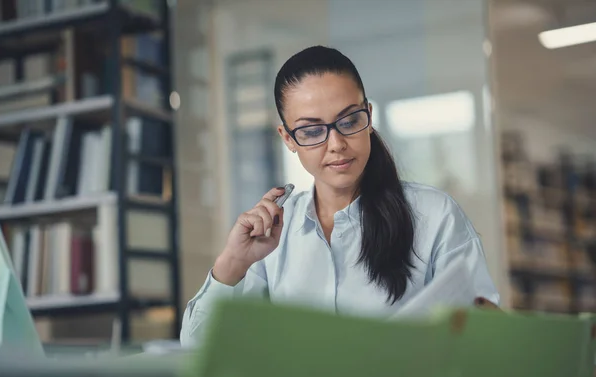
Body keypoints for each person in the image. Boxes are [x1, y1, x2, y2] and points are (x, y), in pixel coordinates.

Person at [180, 45, 499, 347]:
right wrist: (234, 261)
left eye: (349, 121)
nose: (336, 144)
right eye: (311, 130)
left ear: (369, 117)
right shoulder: (274, 232)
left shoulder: (434, 214)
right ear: (288, 139)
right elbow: (197, 347)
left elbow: (486, 333)